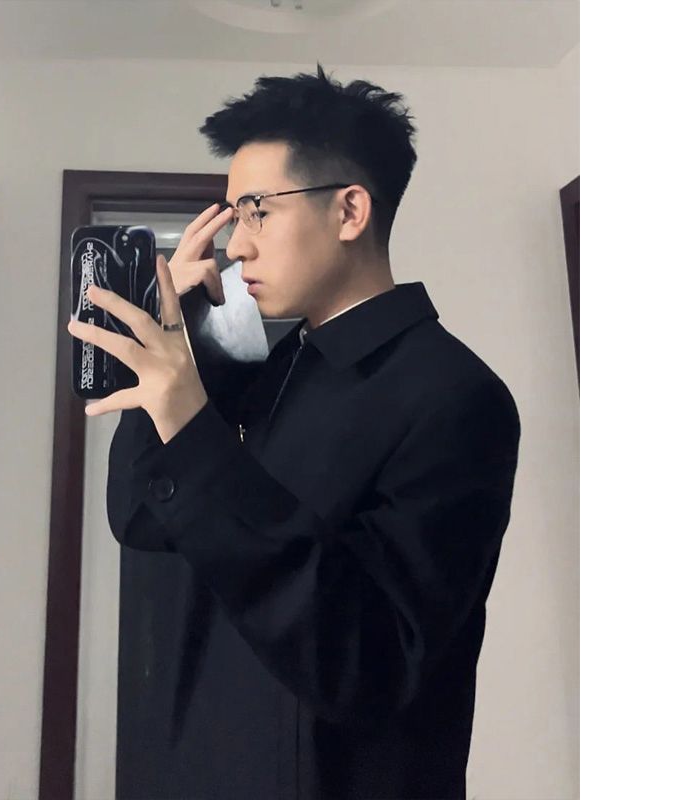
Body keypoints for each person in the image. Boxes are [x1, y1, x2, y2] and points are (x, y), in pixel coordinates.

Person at [68, 64, 521, 800]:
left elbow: (372, 662)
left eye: (256, 212)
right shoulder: (278, 366)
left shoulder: (458, 394)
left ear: (349, 211)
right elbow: (142, 519)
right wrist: (188, 351)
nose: (236, 247)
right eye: (234, 217)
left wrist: (194, 422)